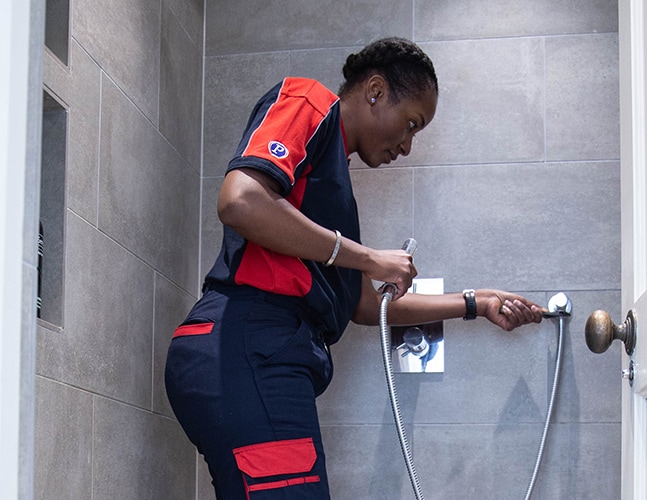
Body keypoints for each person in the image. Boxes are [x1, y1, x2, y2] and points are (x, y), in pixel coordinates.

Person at [164, 37, 544, 500]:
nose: (406, 145)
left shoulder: (332, 196)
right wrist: (366, 256)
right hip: (245, 343)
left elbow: (366, 306)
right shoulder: (309, 101)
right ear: (376, 90)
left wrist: (475, 302)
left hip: (259, 356)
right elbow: (240, 200)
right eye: (410, 124)